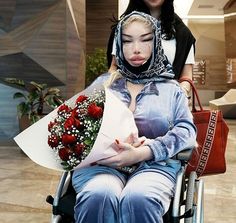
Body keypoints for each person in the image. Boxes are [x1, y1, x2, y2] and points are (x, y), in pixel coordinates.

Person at [72, 11, 196, 223]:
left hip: (155, 166)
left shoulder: (171, 89)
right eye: (127, 41)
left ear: (156, 43)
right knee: (99, 195)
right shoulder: (102, 85)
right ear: (119, 46)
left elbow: (186, 131)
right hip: (102, 166)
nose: (136, 49)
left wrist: (144, 152)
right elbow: (77, 125)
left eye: (146, 40)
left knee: (139, 198)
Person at [107, 0, 196, 97]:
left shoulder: (183, 33)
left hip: (166, 104)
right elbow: (114, 67)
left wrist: (179, 96)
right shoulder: (123, 28)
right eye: (127, 41)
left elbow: (187, 76)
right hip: (127, 102)